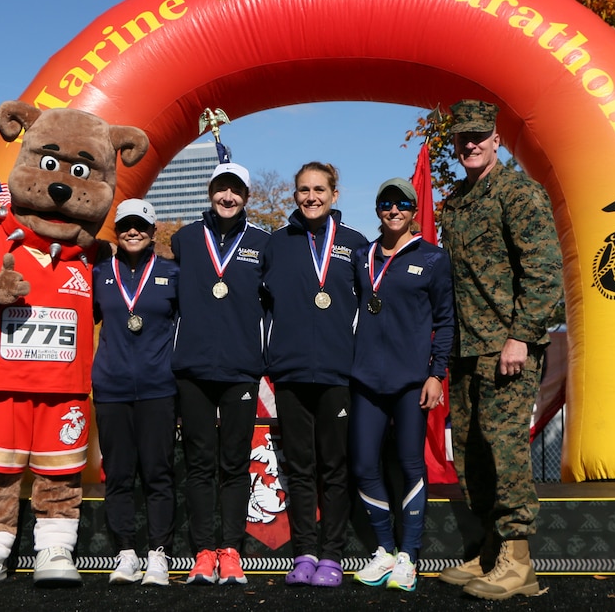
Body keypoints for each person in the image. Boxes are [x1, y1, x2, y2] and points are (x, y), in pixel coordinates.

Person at [437, 100, 564, 601]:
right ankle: (490, 550)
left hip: (508, 348)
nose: (470, 144)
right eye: (462, 137)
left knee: (506, 450)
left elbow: (545, 272)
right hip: (467, 349)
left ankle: (518, 561)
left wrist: (521, 334)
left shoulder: (518, 193)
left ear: (494, 139)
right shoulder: (455, 204)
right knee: (472, 452)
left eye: (478, 136)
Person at [261, 161, 368, 587]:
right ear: (295, 195)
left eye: (319, 189)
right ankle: (304, 552)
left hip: (338, 375)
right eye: (304, 190)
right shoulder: (276, 244)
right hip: (289, 374)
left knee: (335, 468)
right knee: (301, 469)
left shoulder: (357, 245)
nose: (311, 197)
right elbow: (260, 306)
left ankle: (333, 555)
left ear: (334, 195)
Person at [349, 178, 454, 592]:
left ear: (413, 211)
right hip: (365, 380)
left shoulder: (433, 258)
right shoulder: (362, 257)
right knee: (362, 465)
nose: (394, 210)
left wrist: (436, 373)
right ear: (378, 210)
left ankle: (410, 555)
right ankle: (386, 550)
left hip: (412, 381)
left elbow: (446, 321)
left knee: (411, 465)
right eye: (386, 204)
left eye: (402, 204)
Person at [171, 162, 269, 586]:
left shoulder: (265, 245)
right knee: (198, 465)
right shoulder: (185, 239)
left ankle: (230, 549)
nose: (227, 197)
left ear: (247, 197)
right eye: (220, 190)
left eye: (236, 191)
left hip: (240, 370)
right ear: (210, 193)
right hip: (192, 369)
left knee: (233, 464)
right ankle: (202, 551)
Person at [90, 198, 180, 587]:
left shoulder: (172, 273)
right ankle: (126, 551)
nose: (132, 231)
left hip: (160, 388)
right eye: (125, 225)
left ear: (152, 232)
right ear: (117, 230)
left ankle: (159, 553)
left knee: (158, 474)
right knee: (120, 475)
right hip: (111, 388)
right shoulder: (97, 273)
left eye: (140, 226)